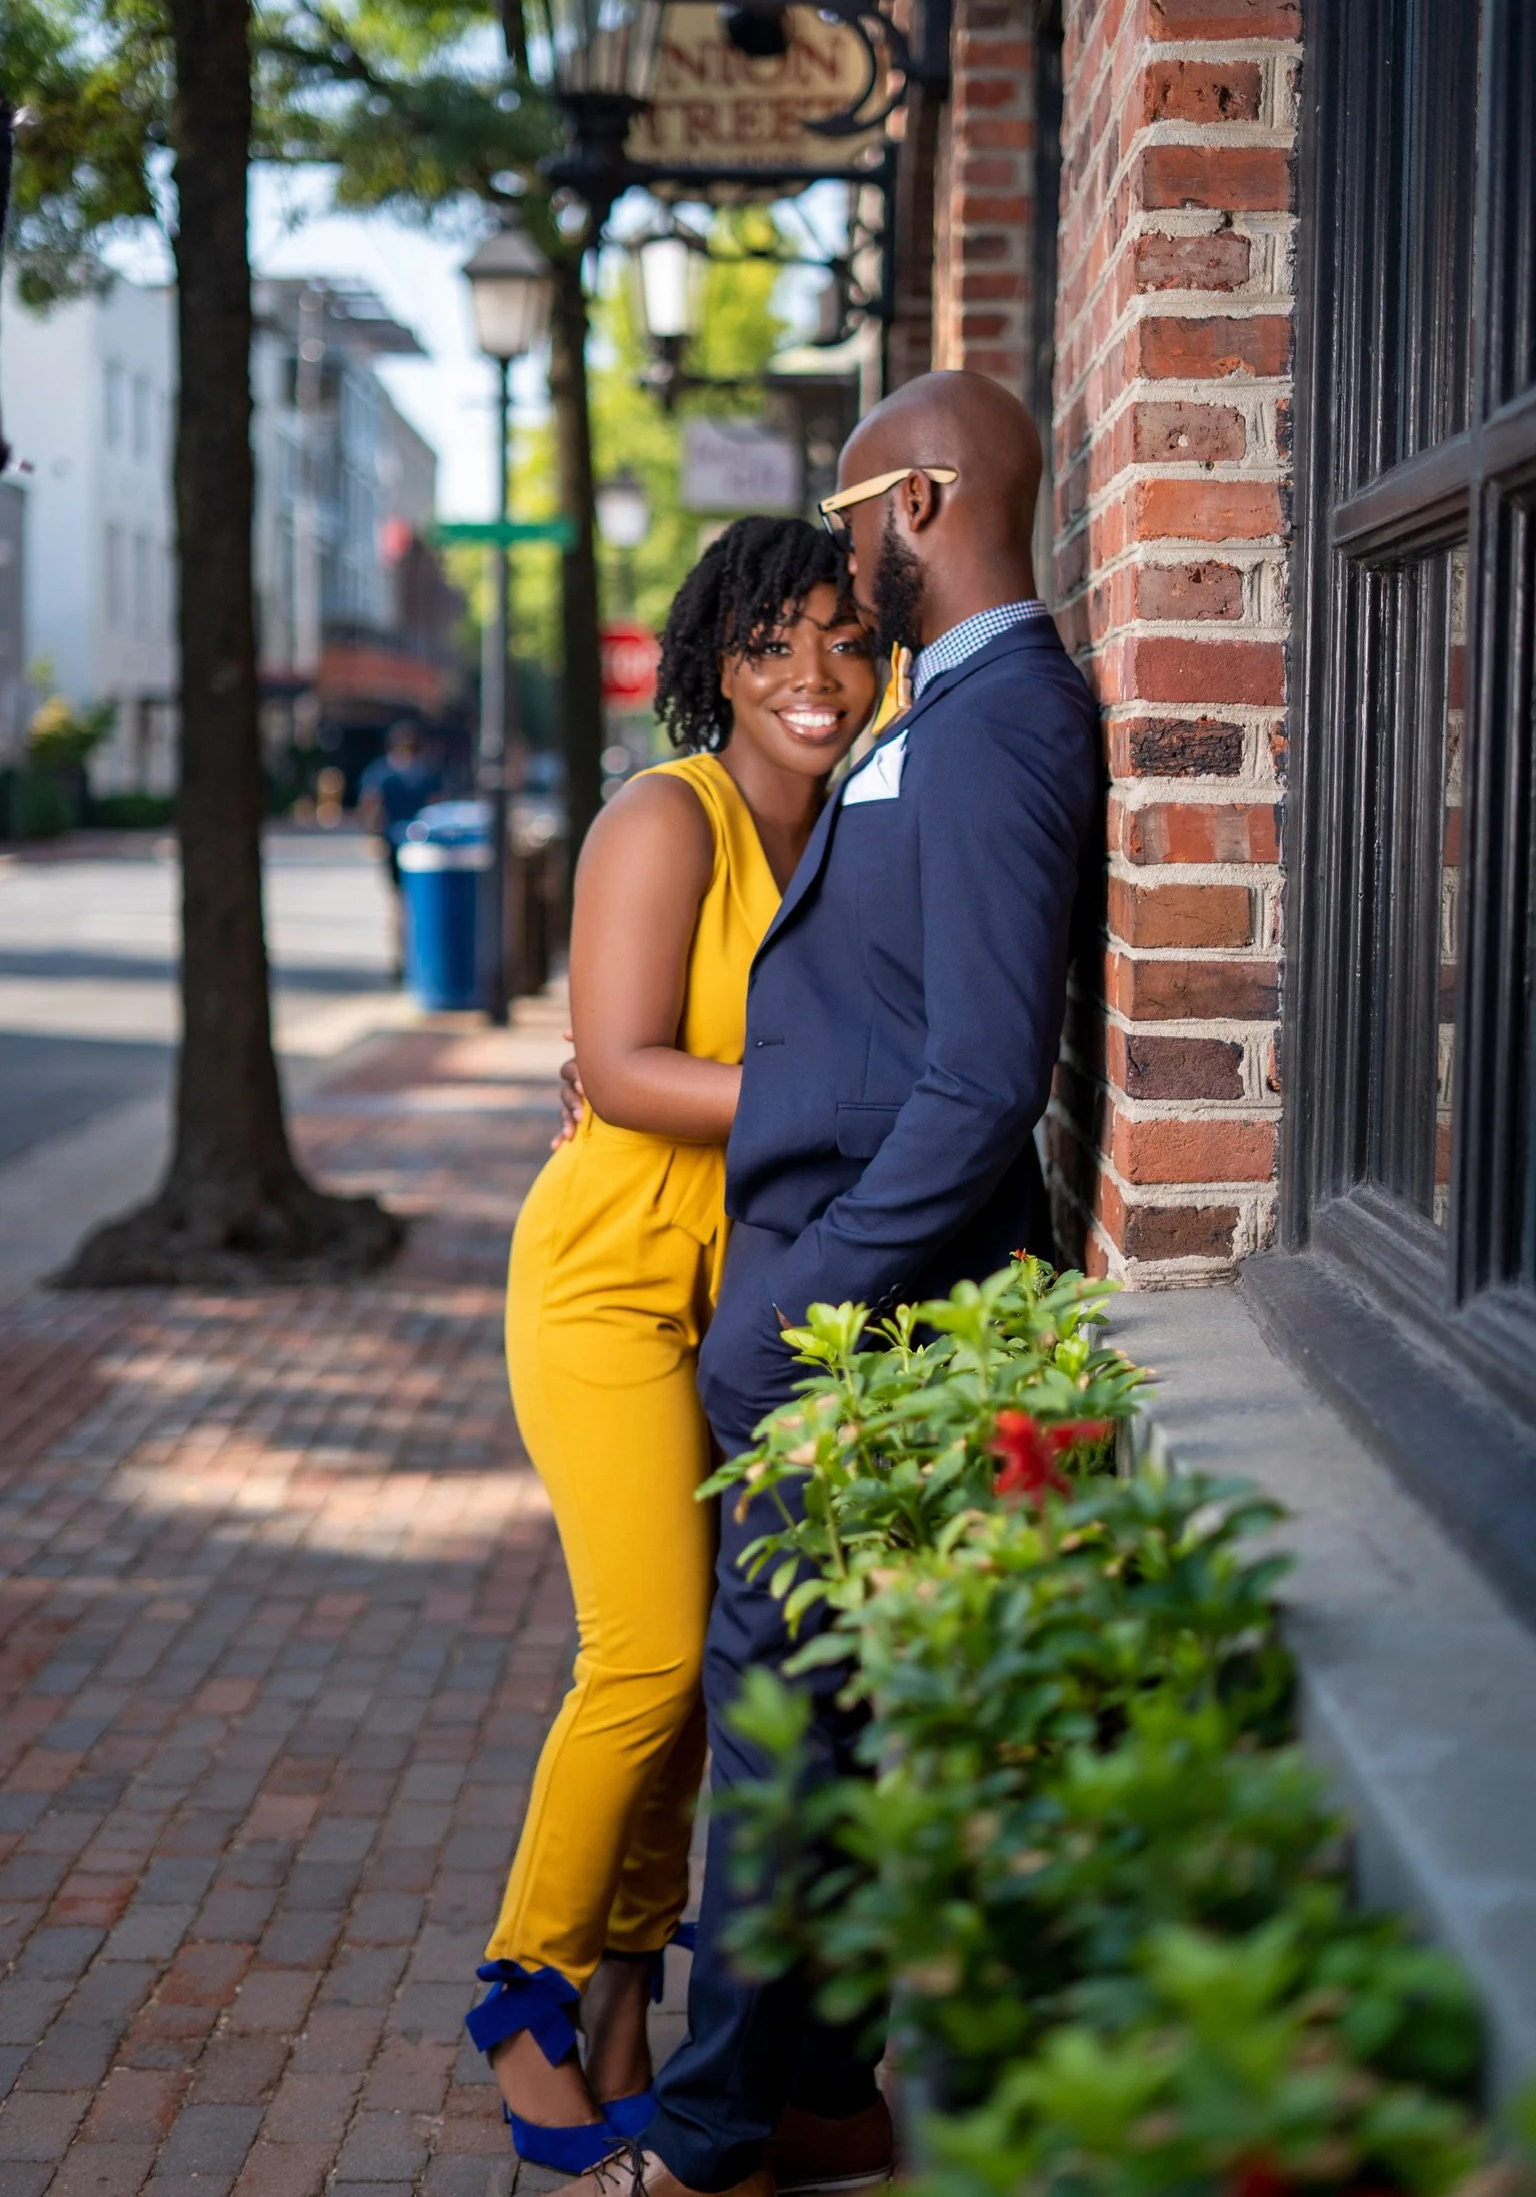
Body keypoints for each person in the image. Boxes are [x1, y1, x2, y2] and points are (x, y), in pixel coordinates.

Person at [546, 370, 1102, 2197]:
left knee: (790, 1749)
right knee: (808, 1737)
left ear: (922, 502)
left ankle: (712, 2128)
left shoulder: (996, 715)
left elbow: (978, 1076)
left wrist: (806, 1308)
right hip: (819, 1308)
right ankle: (793, 2100)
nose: (849, 558)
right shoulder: (933, 717)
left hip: (853, 1321)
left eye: (858, 510)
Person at [463, 518, 878, 2175]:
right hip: (614, 1285)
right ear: (710, 663)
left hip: (749, 1304)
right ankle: (529, 1986)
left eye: (844, 638)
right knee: (641, 1656)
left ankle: (631, 1989)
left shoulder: (860, 826)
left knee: (708, 1686)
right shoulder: (665, 815)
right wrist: (861, 1108)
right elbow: (626, 1065)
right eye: (772, 643)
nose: (813, 677)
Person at [357, 721, 444, 978]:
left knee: (402, 904)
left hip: (397, 844)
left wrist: (374, 834)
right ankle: (413, 957)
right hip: (421, 848)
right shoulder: (426, 773)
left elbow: (370, 805)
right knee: (414, 904)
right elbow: (437, 808)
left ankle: (405, 958)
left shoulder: (383, 772)